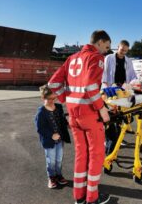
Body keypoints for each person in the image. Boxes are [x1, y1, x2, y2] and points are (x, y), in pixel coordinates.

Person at [48, 30, 111, 204]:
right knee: (96, 155)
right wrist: (102, 109)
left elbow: (52, 83)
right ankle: (92, 198)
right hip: (90, 115)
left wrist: (66, 99)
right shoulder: (96, 58)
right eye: (106, 47)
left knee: (81, 155)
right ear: (99, 42)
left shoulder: (71, 58)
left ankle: (79, 197)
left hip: (73, 115)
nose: (106, 51)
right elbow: (91, 87)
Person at [102, 40, 137, 150]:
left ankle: (117, 138)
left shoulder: (128, 60)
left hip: (122, 90)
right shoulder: (109, 58)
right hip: (110, 89)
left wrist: (133, 83)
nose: (123, 52)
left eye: (126, 51)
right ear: (118, 47)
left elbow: (132, 75)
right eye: (122, 50)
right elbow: (104, 73)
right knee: (110, 116)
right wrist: (106, 86)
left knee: (120, 115)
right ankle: (107, 139)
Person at [34, 84, 71, 189]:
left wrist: (67, 125)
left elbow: (62, 120)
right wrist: (51, 135)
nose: (52, 101)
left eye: (54, 98)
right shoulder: (41, 112)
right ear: (43, 98)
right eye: (49, 99)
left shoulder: (58, 107)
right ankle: (51, 177)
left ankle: (59, 175)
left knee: (59, 159)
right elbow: (40, 128)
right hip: (49, 142)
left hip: (60, 140)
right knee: (51, 161)